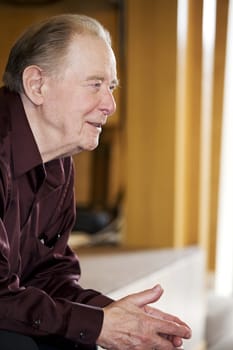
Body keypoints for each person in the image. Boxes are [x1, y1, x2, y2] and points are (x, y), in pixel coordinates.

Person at [0, 13, 192, 350]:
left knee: (75, 338)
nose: (110, 105)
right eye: (95, 84)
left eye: (111, 87)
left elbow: (48, 277)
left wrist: (116, 317)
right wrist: (98, 323)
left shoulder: (59, 164)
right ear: (37, 85)